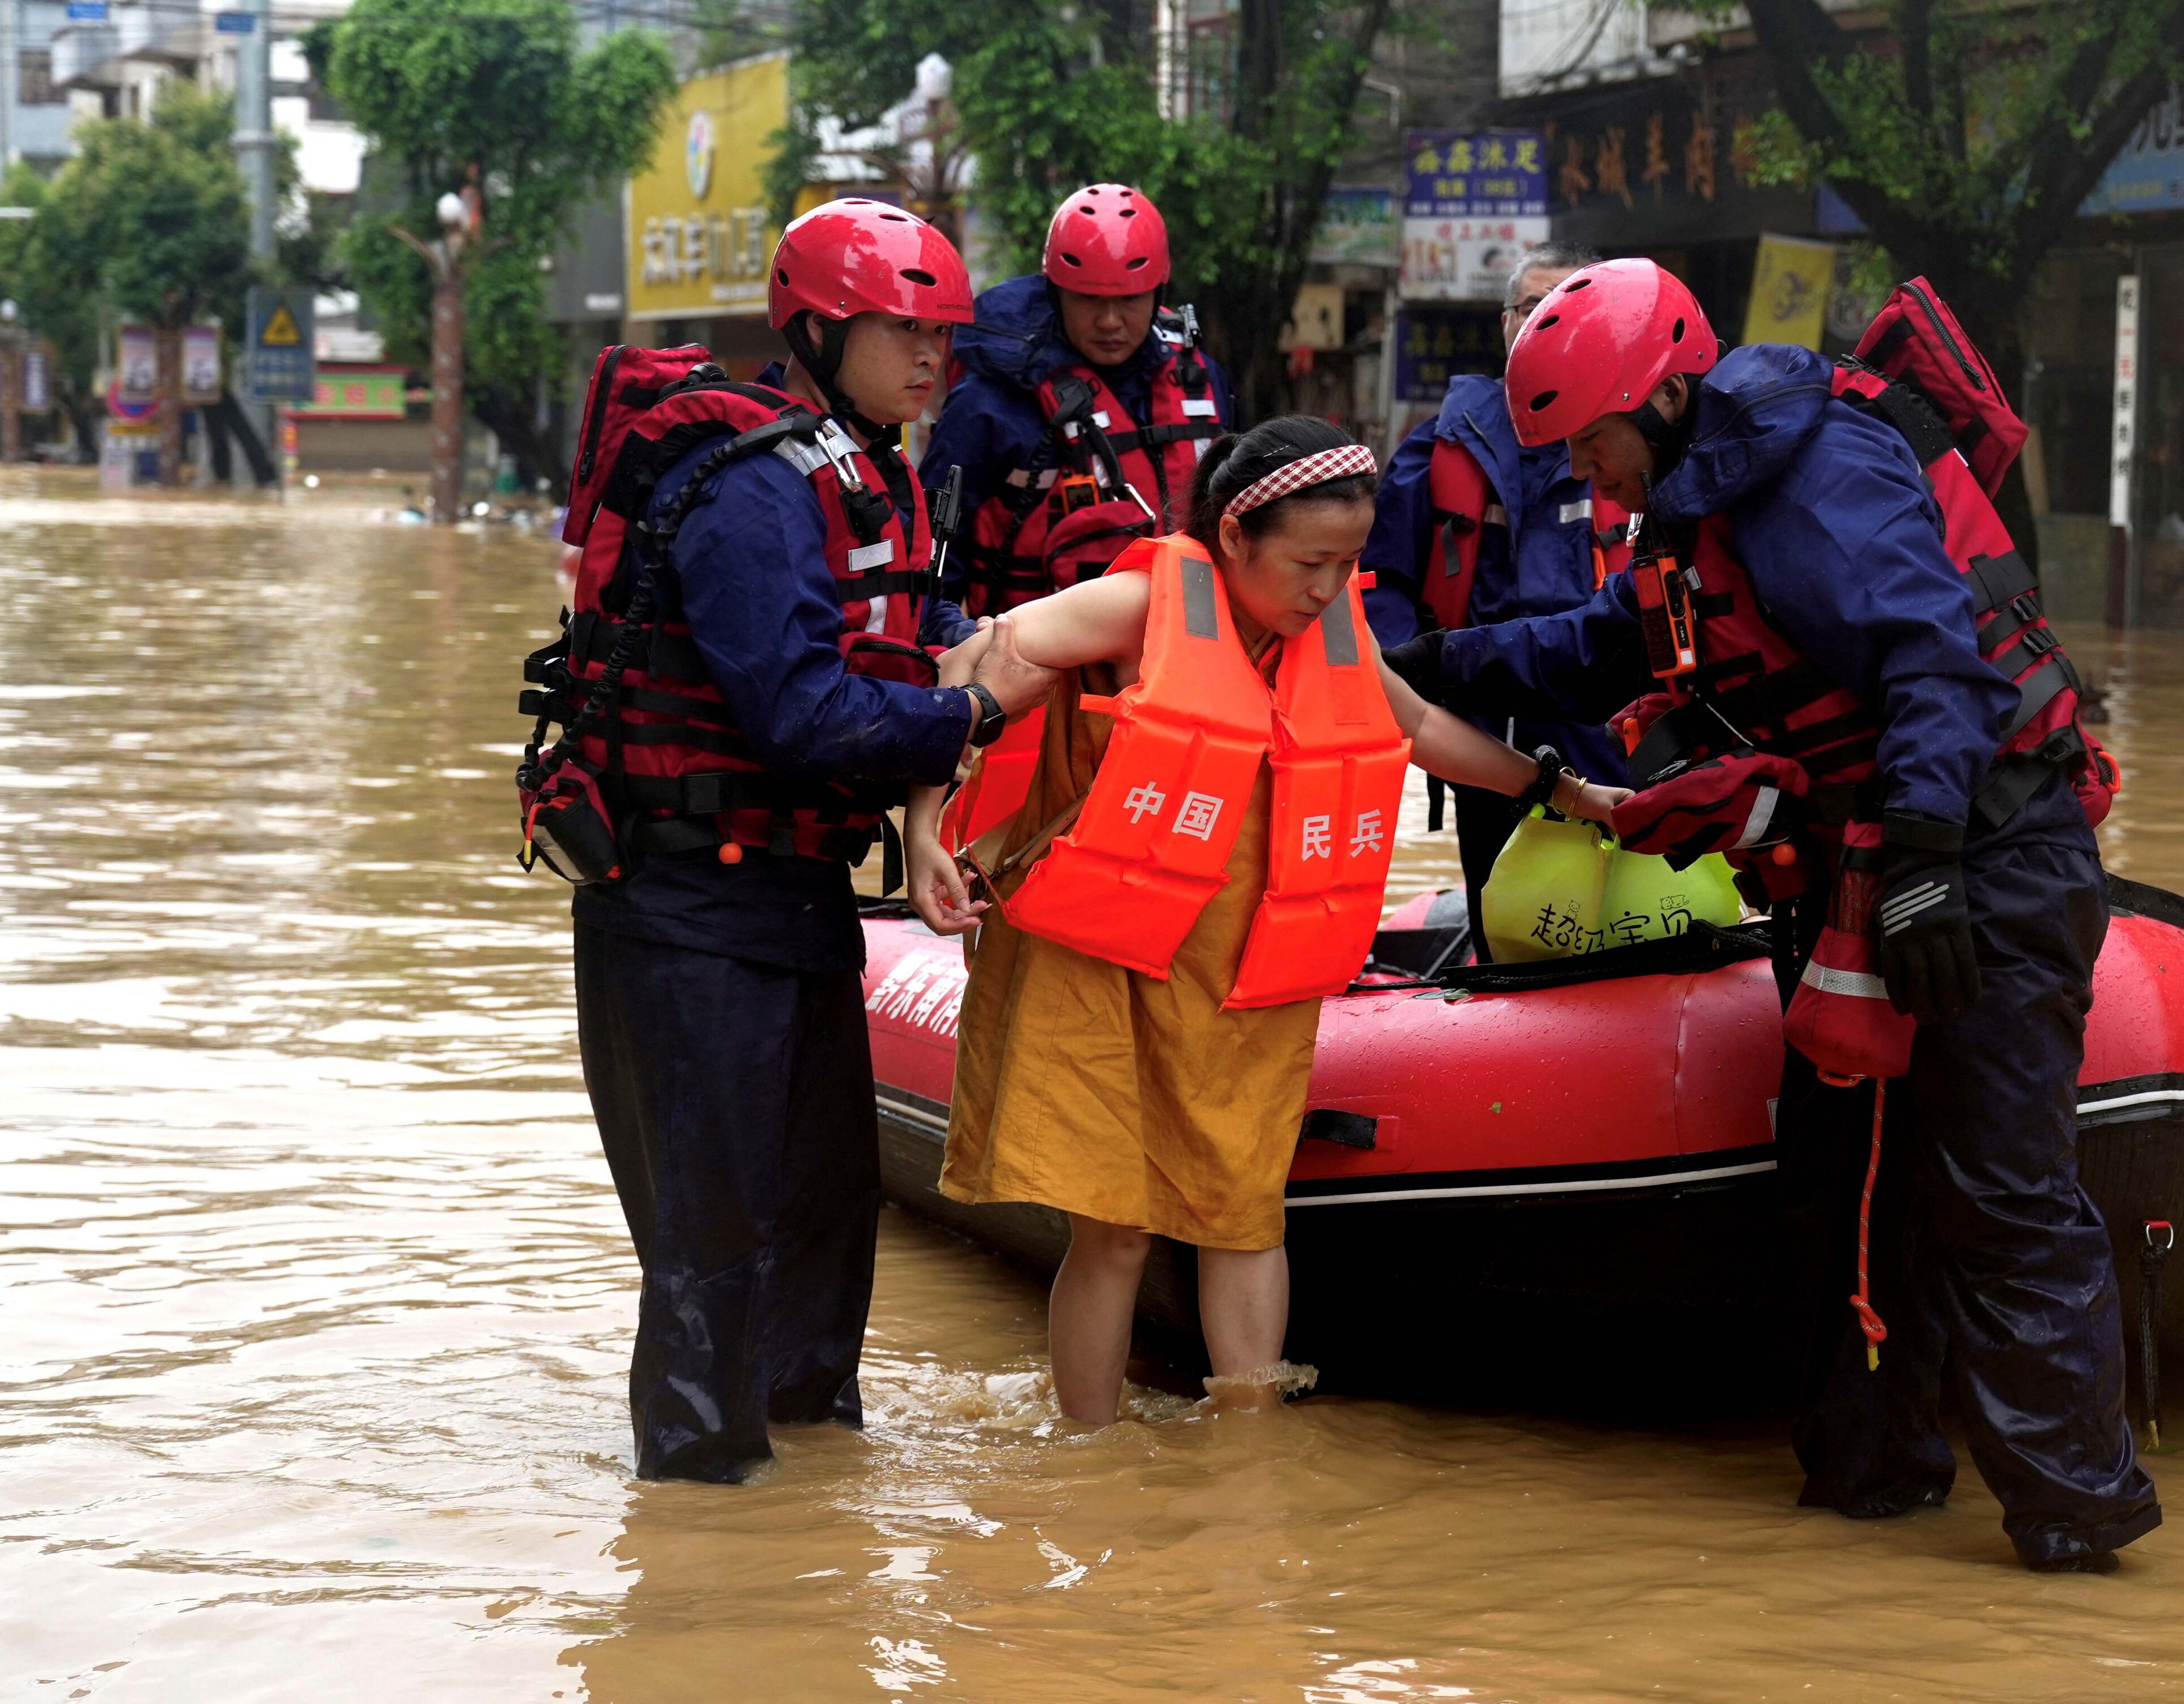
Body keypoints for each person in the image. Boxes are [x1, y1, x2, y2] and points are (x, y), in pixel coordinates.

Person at [1387, 259, 2156, 1572]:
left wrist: (1921, 864)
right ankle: (1872, 1479)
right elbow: (1618, 645)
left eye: (1592, 442)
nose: (1587, 474)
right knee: (1843, 1189)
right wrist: (1431, 661)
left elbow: (1934, 663)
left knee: (1999, 1192)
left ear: (1667, 394)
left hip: (1978, 858)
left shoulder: (1818, 475)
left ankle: (2079, 1521)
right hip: (1860, 867)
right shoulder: (1691, 506)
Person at [903, 417, 1626, 1424]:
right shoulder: (1138, 604)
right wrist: (924, 829)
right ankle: (1087, 1461)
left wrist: (1567, 791)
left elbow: (1415, 728)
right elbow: (981, 661)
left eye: (1349, 562)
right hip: (1097, 957)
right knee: (1113, 1229)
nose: (1330, 588)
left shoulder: (1329, 632)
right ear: (1236, 536)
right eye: (1310, 561)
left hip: (1240, 972)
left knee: (1245, 1214)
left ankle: (1250, 1455)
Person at [522, 197, 1047, 1482]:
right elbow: (802, 711)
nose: (932, 356)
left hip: (797, 897)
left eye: (943, 334)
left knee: (825, 1216)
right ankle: (700, 1555)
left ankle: (812, 1536)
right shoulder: (755, 488)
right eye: (899, 329)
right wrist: (966, 715)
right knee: (714, 1241)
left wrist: (926, 810)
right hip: (685, 907)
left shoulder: (884, 476)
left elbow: (896, 661)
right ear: (815, 328)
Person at [1361, 242, 1633, 904]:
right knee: (1501, 905)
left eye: (1566, 306)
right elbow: (1382, 578)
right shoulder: (1439, 445)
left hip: (1605, 719)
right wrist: (1411, 686)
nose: (1544, 321)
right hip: (1482, 722)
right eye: (1530, 306)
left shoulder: (1630, 437)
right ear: (1504, 322)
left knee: (1622, 907)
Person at [923, 182, 1236, 616]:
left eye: (1129, 299)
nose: (1109, 321)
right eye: (1088, 298)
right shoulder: (987, 404)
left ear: (1157, 294)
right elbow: (928, 568)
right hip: (1038, 666)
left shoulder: (1203, 381)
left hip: (1188, 657)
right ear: (1056, 294)